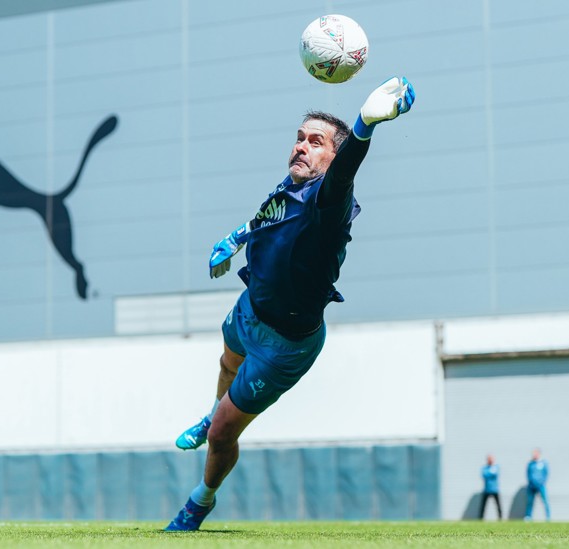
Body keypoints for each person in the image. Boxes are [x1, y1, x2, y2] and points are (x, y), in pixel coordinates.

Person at [164, 76, 416, 531]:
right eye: (299, 138)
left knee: (224, 433)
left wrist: (364, 126)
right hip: (249, 309)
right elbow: (267, 214)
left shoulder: (329, 201)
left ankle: (200, 500)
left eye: (315, 142)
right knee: (226, 362)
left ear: (333, 156)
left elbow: (344, 174)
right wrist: (235, 238)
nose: (301, 146)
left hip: (286, 344)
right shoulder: (292, 183)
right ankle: (212, 412)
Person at [524, 448, 551, 521]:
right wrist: (531, 482)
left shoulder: (543, 463)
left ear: (539, 454)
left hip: (541, 486)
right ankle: (528, 517)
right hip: (531, 486)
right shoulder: (530, 464)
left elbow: (546, 473)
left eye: (535, 454)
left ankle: (548, 517)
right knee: (530, 502)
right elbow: (528, 473)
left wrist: (542, 482)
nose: (534, 455)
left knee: (545, 501)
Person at [479, 455, 502, 520]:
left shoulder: (496, 467)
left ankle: (500, 518)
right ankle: (481, 518)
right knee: (483, 506)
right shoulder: (485, 468)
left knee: (498, 506)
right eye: (489, 459)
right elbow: (484, 475)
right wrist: (491, 473)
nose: (490, 460)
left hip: (495, 489)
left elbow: (495, 474)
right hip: (487, 489)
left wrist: (489, 473)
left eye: (491, 459)